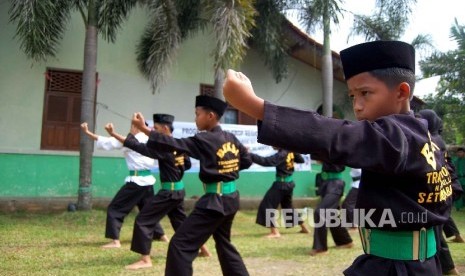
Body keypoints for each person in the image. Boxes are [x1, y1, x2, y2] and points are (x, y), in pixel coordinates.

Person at [223, 40, 453, 275]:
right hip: (400, 263)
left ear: (402, 92)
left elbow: (334, 135)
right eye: (353, 95)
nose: (358, 106)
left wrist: (255, 107)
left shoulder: (398, 138)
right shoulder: (422, 137)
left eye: (365, 93)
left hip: (398, 268)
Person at [131, 95, 253, 276]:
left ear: (210, 116)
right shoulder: (231, 138)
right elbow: (247, 160)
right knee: (223, 243)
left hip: (215, 202)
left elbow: (174, 143)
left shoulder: (205, 139)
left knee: (180, 246)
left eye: (197, 114)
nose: (195, 118)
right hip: (231, 198)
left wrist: (143, 129)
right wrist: (228, 171)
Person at [103, 114, 211, 270]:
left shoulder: (164, 148)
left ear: (165, 128)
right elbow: (186, 165)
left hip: (169, 192)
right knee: (181, 223)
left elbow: (138, 147)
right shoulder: (179, 145)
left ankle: (146, 260)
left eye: (156, 128)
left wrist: (118, 134)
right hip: (179, 190)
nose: (152, 130)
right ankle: (204, 251)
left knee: (143, 221)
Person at [80, 122, 167, 248]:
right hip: (148, 181)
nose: (131, 127)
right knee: (147, 210)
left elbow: (109, 142)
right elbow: (111, 140)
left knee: (115, 208)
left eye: (132, 125)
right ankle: (161, 235)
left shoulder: (131, 140)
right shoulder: (150, 139)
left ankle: (115, 241)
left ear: (136, 127)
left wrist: (88, 133)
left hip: (137, 182)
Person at [417, 109, 463, 275]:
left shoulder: (430, 140)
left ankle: (448, 268)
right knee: (438, 226)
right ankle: (448, 266)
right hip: (444, 190)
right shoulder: (438, 140)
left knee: (435, 232)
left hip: (439, 190)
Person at [249, 148, 310, 238]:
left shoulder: (282, 153)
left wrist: (250, 155)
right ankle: (305, 228)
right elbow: (301, 160)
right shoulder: (289, 150)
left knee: (266, 206)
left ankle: (275, 232)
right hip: (289, 184)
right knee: (288, 207)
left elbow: (266, 162)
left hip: (281, 184)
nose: (272, 146)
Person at [311, 162, 353, 255]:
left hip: (335, 184)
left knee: (320, 212)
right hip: (325, 183)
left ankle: (320, 248)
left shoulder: (338, 147)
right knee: (331, 214)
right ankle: (345, 241)